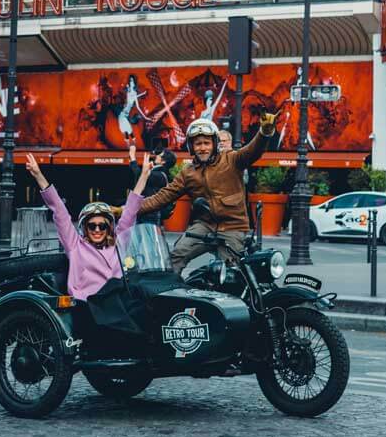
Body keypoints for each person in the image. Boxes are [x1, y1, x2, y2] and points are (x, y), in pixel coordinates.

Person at [136, 112, 278, 274]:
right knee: (175, 257)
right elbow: (162, 197)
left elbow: (253, 151)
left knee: (231, 273)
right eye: (198, 144)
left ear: (214, 144)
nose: (202, 148)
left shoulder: (231, 159)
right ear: (191, 147)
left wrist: (264, 133)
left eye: (206, 143)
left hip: (233, 226)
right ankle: (170, 293)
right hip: (204, 225)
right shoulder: (188, 173)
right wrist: (128, 210)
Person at [25, 151, 153, 301]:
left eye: (102, 226)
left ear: (109, 228)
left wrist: (143, 176)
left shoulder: (118, 243)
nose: (97, 230)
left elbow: (130, 212)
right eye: (92, 226)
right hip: (87, 306)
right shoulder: (75, 246)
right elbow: (60, 211)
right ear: (85, 228)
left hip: (118, 303)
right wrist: (38, 175)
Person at [128, 143, 175, 224]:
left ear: (163, 161)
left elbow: (139, 176)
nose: (156, 155)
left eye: (159, 155)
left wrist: (132, 156)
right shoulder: (158, 173)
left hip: (150, 214)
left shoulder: (160, 175)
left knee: (148, 235)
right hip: (147, 212)